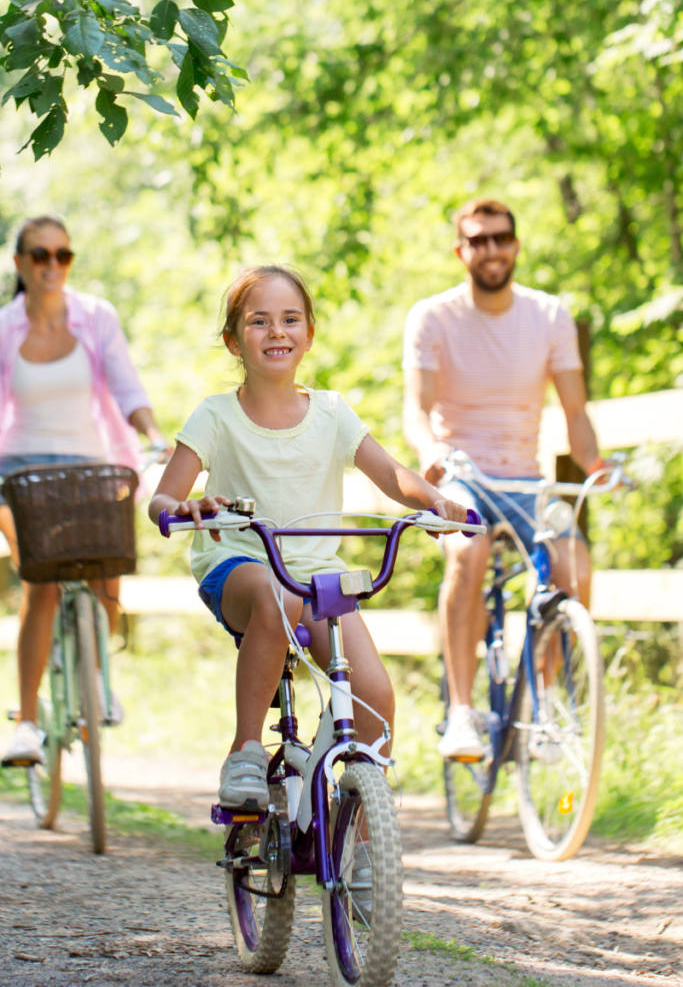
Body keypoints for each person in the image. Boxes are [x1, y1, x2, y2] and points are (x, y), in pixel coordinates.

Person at [149, 264, 468, 811]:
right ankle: (247, 748)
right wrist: (184, 505)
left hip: (317, 577)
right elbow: (161, 500)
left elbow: (391, 475)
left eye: (290, 319)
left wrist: (434, 502)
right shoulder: (217, 415)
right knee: (281, 598)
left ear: (309, 335)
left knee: (374, 697)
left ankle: (361, 841)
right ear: (233, 341)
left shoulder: (330, 412)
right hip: (241, 566)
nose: (277, 332)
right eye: (259, 321)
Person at [402, 198, 604, 760]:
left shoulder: (549, 316)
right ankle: (461, 713)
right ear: (461, 250)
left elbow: (575, 413)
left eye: (501, 237)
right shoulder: (433, 317)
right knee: (470, 553)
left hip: (525, 481)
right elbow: (416, 409)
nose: (491, 248)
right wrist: (432, 450)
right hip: (464, 475)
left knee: (574, 568)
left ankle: (546, 708)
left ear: (515, 244)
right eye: (479, 239)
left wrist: (598, 467)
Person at [0, 215, 168, 765]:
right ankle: (26, 722)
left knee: (108, 567)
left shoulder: (96, 317)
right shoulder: (5, 327)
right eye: (41, 255)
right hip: (21, 470)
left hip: (90, 464)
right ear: (20, 263)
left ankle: (95, 674)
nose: (53, 265)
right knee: (41, 584)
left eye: (62, 255)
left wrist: (153, 434)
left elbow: (125, 383)